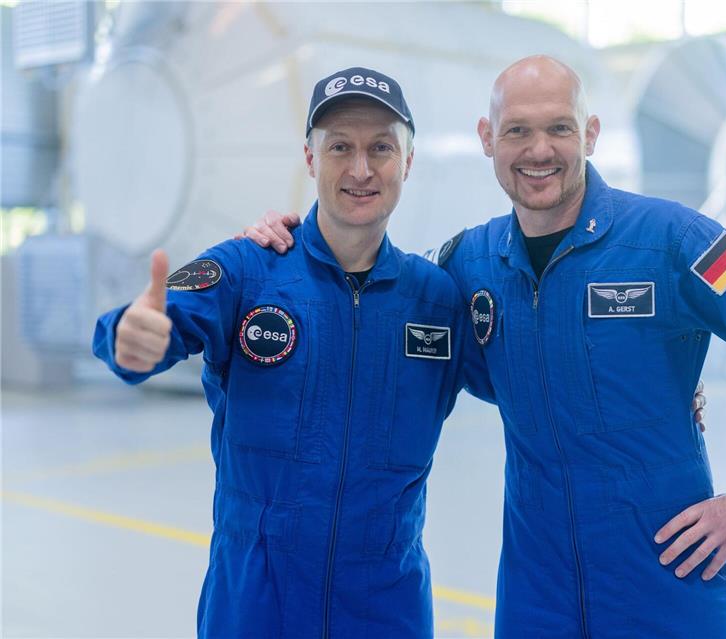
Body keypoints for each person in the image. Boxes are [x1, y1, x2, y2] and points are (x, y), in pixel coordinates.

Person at [247, 56, 726, 638]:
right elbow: (381, 298)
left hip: (670, 582)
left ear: (589, 134)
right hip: (537, 599)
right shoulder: (468, 262)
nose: (539, 151)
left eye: (558, 128)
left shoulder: (676, 240)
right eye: (517, 131)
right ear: (488, 139)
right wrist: (287, 242)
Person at [93, 67, 480, 638]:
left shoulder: (438, 300)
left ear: (408, 161)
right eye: (339, 147)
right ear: (309, 158)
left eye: (381, 148)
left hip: (386, 605)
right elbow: (153, 323)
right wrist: (127, 336)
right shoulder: (247, 267)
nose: (360, 169)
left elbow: (539, 398)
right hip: (255, 601)